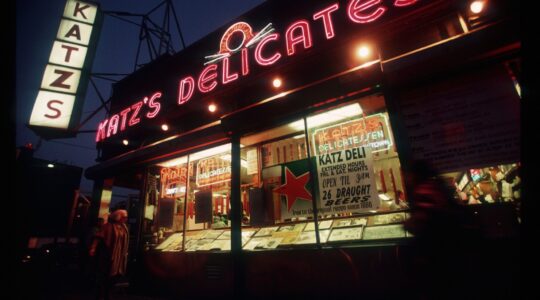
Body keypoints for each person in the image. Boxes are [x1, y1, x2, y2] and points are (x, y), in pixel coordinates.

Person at [403, 160, 479, 299]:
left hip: (437, 250)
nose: (407, 178)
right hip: (451, 247)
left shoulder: (424, 190)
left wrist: (407, 224)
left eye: (408, 174)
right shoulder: (438, 186)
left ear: (415, 175)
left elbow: (421, 221)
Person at [89, 209, 130, 300]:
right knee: (106, 274)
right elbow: (98, 237)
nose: (126, 219)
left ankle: (109, 292)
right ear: (118, 217)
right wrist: (93, 248)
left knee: (116, 275)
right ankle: (102, 294)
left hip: (120, 255)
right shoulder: (108, 226)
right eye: (124, 217)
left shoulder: (124, 227)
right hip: (109, 253)